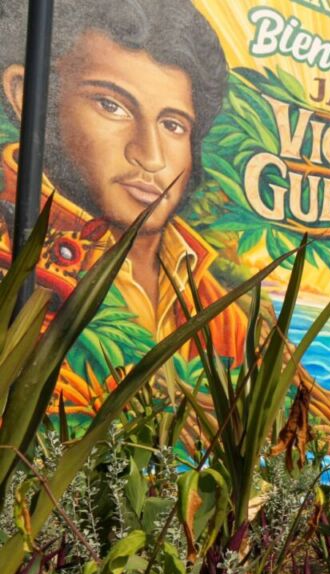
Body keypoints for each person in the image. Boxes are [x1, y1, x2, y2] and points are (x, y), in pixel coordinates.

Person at [0, 0, 245, 416]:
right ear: (28, 95)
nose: (150, 156)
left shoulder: (211, 297)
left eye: (173, 125)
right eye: (111, 106)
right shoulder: (14, 253)